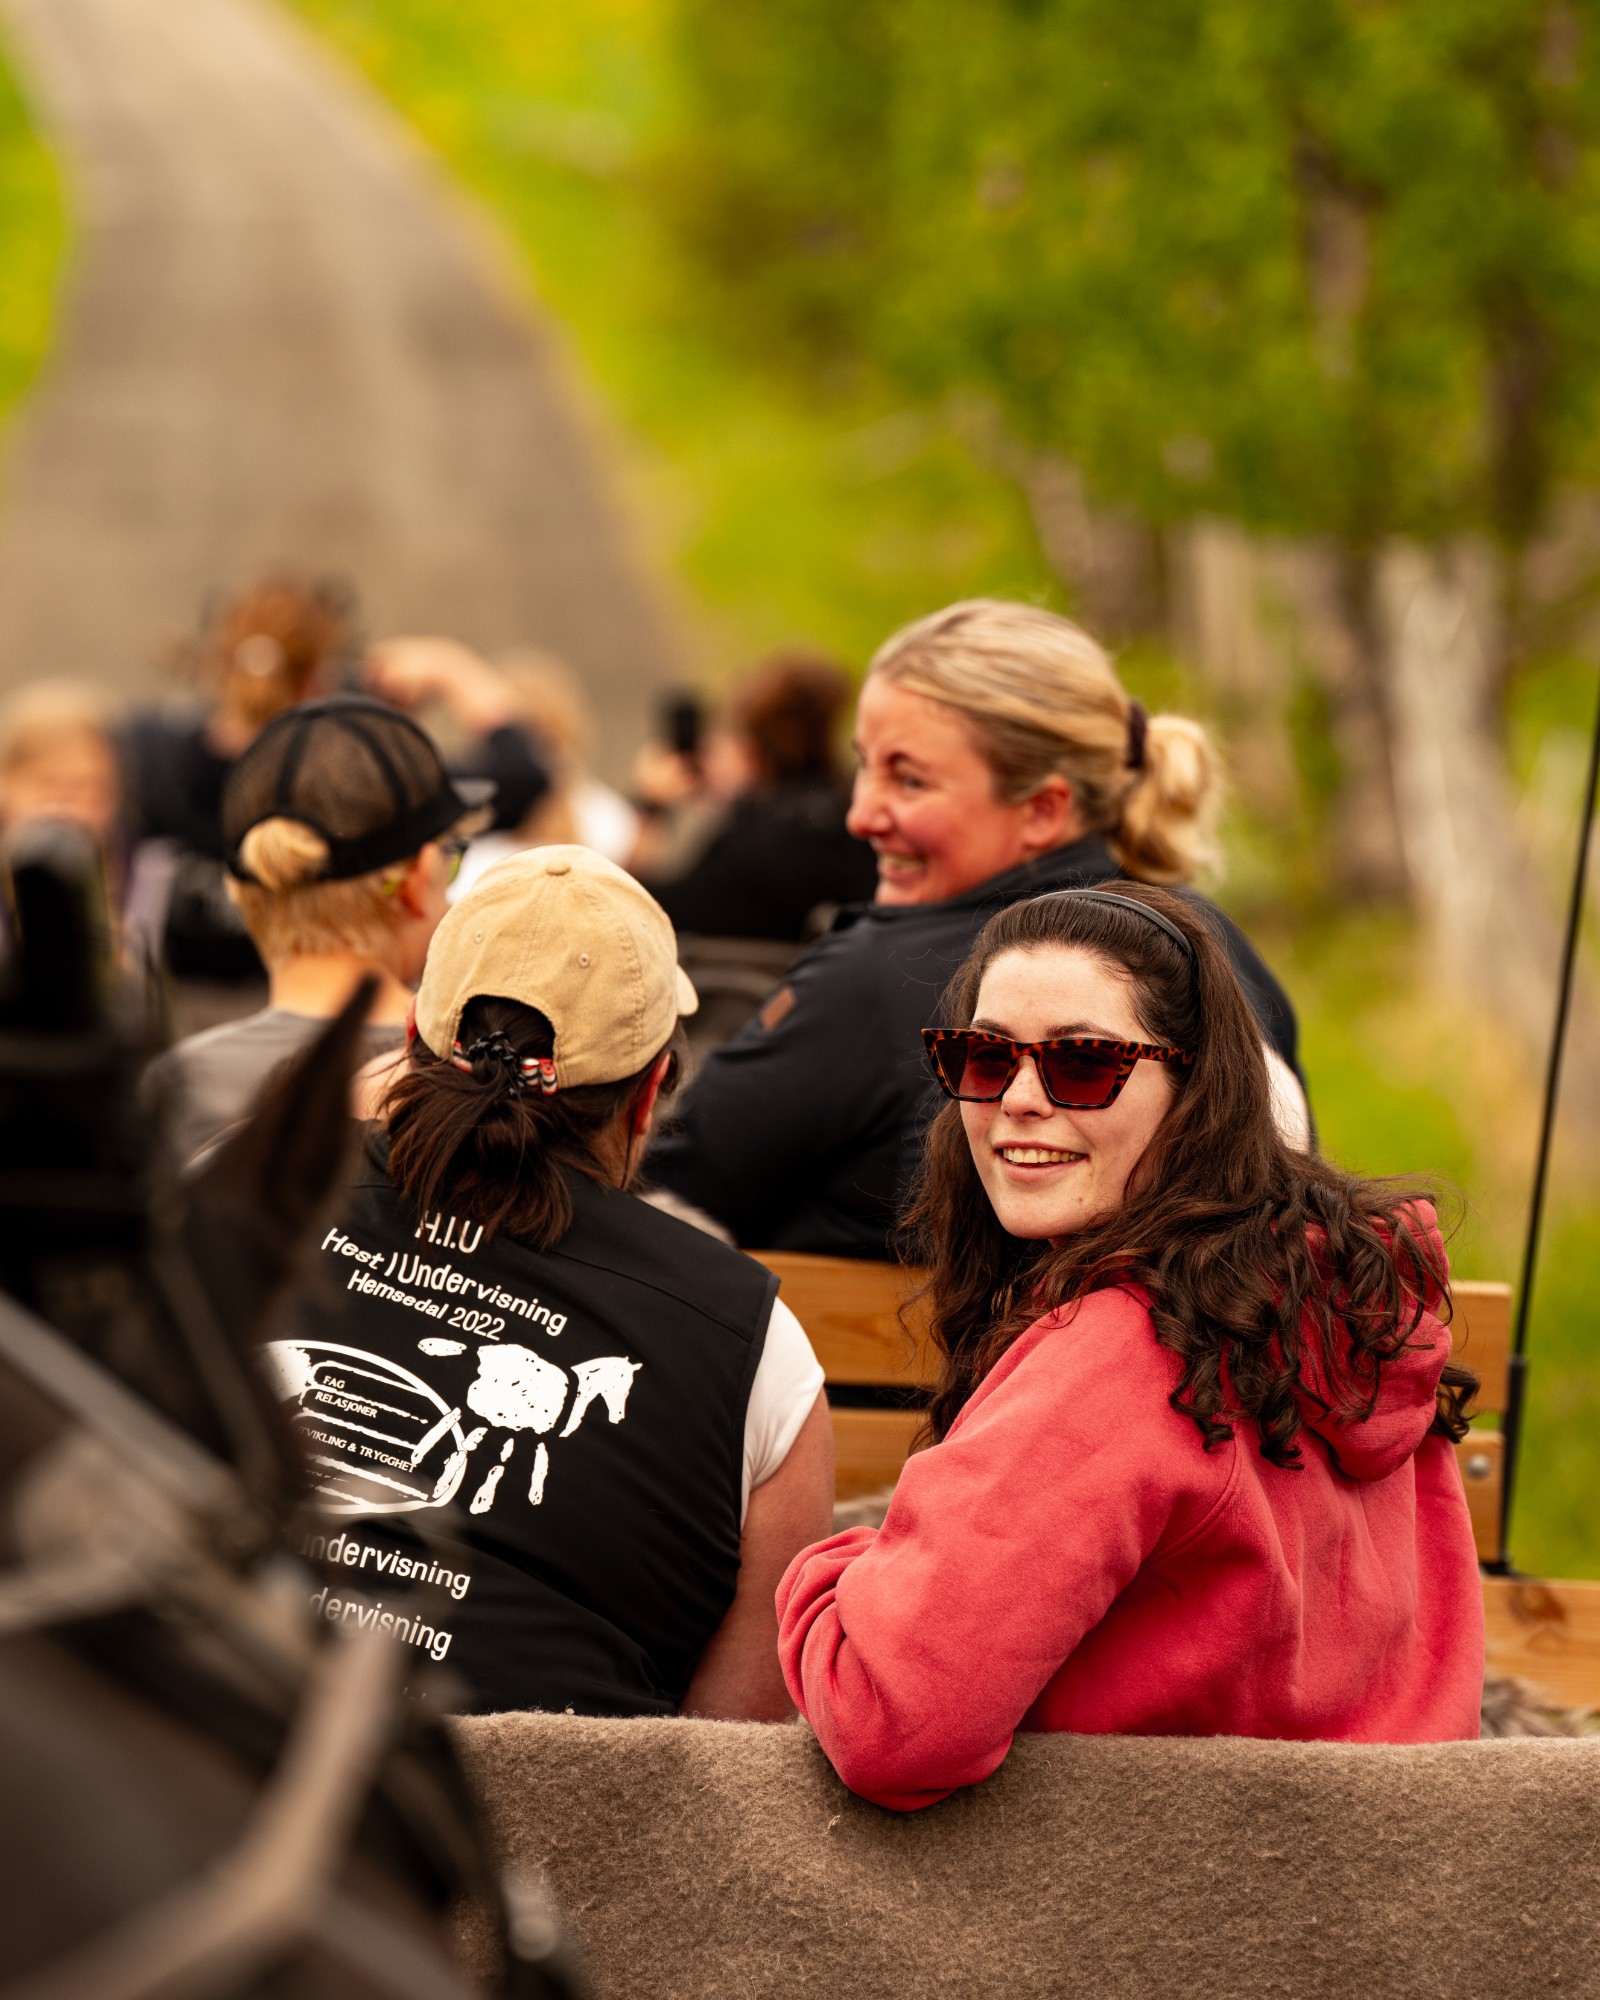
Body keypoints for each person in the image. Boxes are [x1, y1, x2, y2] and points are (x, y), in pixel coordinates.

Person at [775, 885, 1483, 1810]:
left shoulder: (1122, 1354)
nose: (1018, 1100)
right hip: (1387, 1873)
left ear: (1197, 1093)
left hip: (1153, 1885)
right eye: (984, 1057)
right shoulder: (1349, 1308)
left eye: (1083, 1063)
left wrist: (830, 1569)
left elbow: (892, 1723)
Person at [266, 847, 833, 1720]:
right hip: (546, 1800)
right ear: (650, 1094)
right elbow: (728, 1758)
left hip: (223, 1751)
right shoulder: (760, 1351)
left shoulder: (252, 1189)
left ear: (412, 1039)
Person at [648, 598, 1306, 1257]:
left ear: (1043, 810)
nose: (861, 815)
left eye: (909, 780)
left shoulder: (879, 975)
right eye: (865, 765)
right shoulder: (1218, 942)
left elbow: (655, 1193)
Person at [120, 579, 551, 983]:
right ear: (318, 679)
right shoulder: (355, 784)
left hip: (176, 1020)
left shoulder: (146, 757)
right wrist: (451, 667)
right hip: (331, 1017)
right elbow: (521, 776)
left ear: (219, 662)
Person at [148, 695, 490, 1164]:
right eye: (452, 860)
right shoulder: (476, 1076)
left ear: (241, 891)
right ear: (417, 878)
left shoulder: (177, 1086)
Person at [631, 650, 878, 942]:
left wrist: (651, 806)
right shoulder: (852, 818)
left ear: (751, 752)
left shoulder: (750, 847)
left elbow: (638, 908)